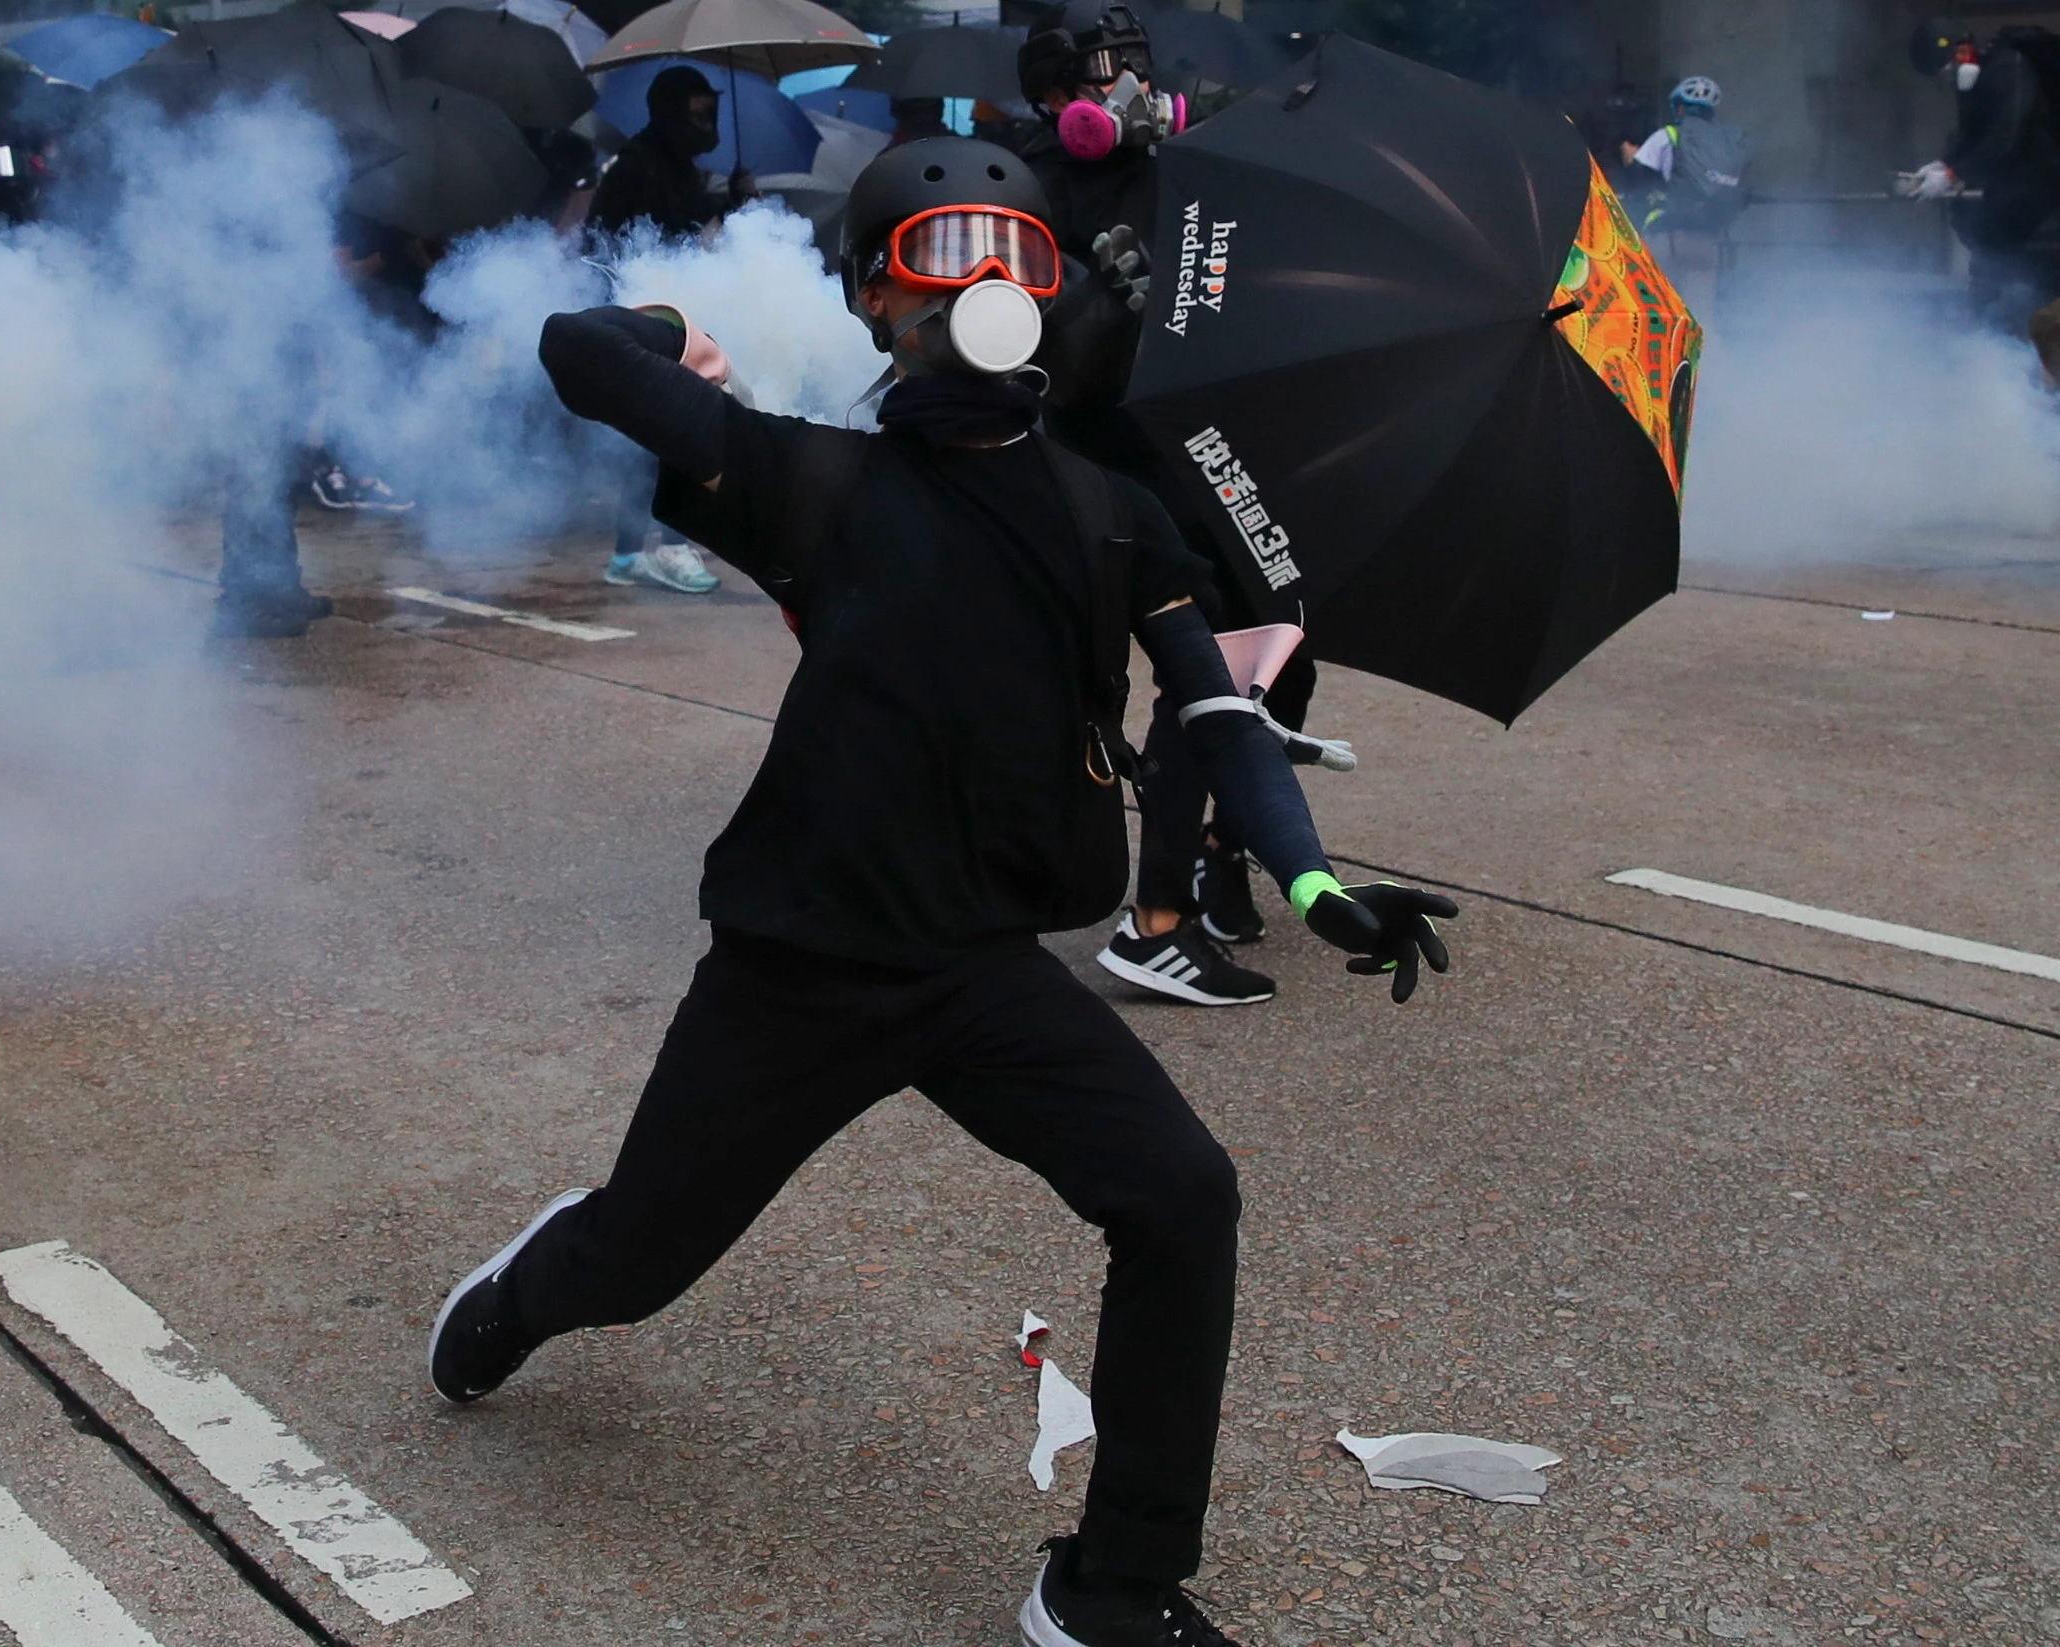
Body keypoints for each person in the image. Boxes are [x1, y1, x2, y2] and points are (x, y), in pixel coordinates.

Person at [429, 136, 1460, 1647]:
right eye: (938, 251)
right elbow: (579, 348)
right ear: (870, 301)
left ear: (1049, 292)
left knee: (1181, 1193)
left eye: (1013, 252)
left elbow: (1218, 712)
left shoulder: (1114, 511)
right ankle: (530, 1286)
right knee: (635, 1260)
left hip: (979, 972)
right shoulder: (803, 475)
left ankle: (1107, 1587)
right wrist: (675, 337)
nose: (982, 282)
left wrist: (1312, 882)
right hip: (802, 965)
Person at [1014, 2, 1299, 1008]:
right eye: (1098, 76)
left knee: (1285, 645)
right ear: (1051, 98)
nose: (1120, 90)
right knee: (1205, 672)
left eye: (1133, 69)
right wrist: (1097, 302)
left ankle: (1221, 853)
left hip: (1206, 449)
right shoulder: (1028, 188)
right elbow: (1027, 359)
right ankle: (1159, 922)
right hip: (1108, 471)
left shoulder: (1184, 158)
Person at [586, 63, 737, 596]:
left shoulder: (677, 166)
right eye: (696, 113)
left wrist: (731, 199)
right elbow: (609, 245)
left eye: (710, 112)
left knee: (649, 434)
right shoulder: (636, 167)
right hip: (641, 318)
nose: (705, 124)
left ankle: (627, 555)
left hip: (667, 317)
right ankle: (671, 546)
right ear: (670, 112)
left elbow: (688, 225)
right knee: (675, 429)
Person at [1907, 21, 2060, 332]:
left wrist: (1955, 174)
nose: (1951, 76)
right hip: (2004, 186)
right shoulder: (1975, 83)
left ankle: (2006, 323)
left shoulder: (2008, 68)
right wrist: (1944, 164)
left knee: (2005, 258)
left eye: (1950, 66)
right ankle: (1990, 323)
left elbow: (2005, 136)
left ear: (1963, 48)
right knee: (1984, 249)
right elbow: (1971, 134)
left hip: (2035, 182)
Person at [1627, 75, 1748, 303]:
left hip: (1666, 236)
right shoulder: (1725, 144)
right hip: (1708, 241)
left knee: (1658, 311)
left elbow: (1637, 184)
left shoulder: (1668, 135)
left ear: (1679, 110)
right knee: (1698, 315)